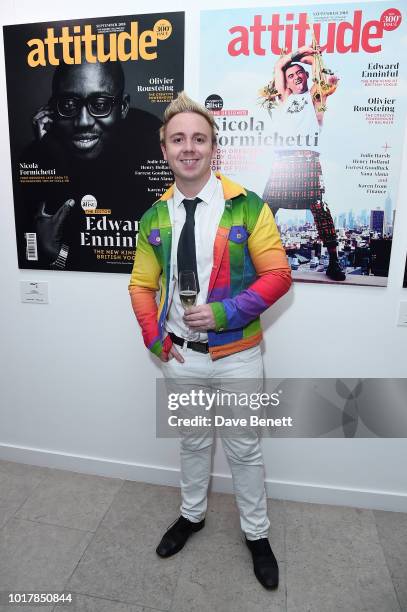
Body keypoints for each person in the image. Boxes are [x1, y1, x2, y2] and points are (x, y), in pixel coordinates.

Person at [128, 92, 291, 590]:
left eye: (199, 138)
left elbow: (279, 275)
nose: (189, 148)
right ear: (165, 151)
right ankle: (192, 515)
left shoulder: (247, 206)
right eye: (179, 139)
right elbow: (140, 284)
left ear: (213, 147)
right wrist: (156, 340)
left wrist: (223, 313)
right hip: (180, 358)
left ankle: (256, 534)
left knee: (244, 449)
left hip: (238, 356)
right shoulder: (154, 216)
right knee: (193, 443)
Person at [18, 57, 162, 271]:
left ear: (123, 107)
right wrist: (47, 155)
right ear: (52, 109)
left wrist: (58, 254)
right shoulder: (38, 153)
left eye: (100, 104)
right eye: (68, 104)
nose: (83, 121)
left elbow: (125, 264)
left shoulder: (153, 147)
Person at [262, 45, 346, 281]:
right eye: (291, 75)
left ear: (307, 76)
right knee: (265, 210)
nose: (296, 76)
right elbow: (279, 65)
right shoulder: (284, 97)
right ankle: (254, 259)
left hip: (308, 160)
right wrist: (300, 53)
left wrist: (311, 58)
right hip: (283, 162)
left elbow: (317, 70)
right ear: (285, 84)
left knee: (320, 209)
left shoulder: (316, 95)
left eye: (300, 73)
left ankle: (334, 262)